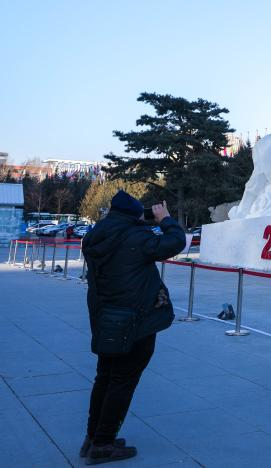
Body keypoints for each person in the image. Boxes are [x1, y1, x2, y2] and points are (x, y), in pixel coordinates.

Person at [81, 191, 189, 464]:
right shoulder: (135, 238)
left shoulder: (97, 235)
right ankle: (103, 444)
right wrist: (165, 219)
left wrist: (141, 220)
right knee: (122, 381)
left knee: (105, 377)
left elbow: (128, 235)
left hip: (106, 319)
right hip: (135, 321)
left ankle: (93, 437)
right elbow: (176, 242)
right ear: (132, 216)